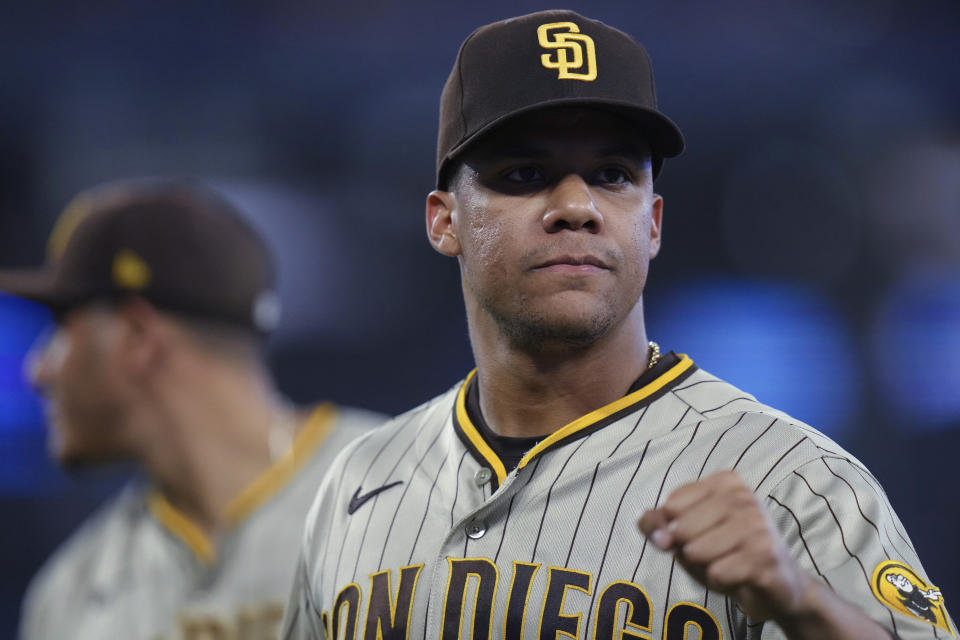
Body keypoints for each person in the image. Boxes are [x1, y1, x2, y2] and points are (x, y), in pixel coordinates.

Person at [281, 10, 952, 640]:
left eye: (612, 174)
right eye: (525, 173)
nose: (577, 206)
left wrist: (806, 606)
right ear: (443, 220)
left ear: (652, 223)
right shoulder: (357, 483)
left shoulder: (795, 481)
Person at [2, 179, 386, 640]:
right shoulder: (69, 596)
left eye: (61, 328)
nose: (38, 371)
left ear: (138, 338)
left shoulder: (410, 497)